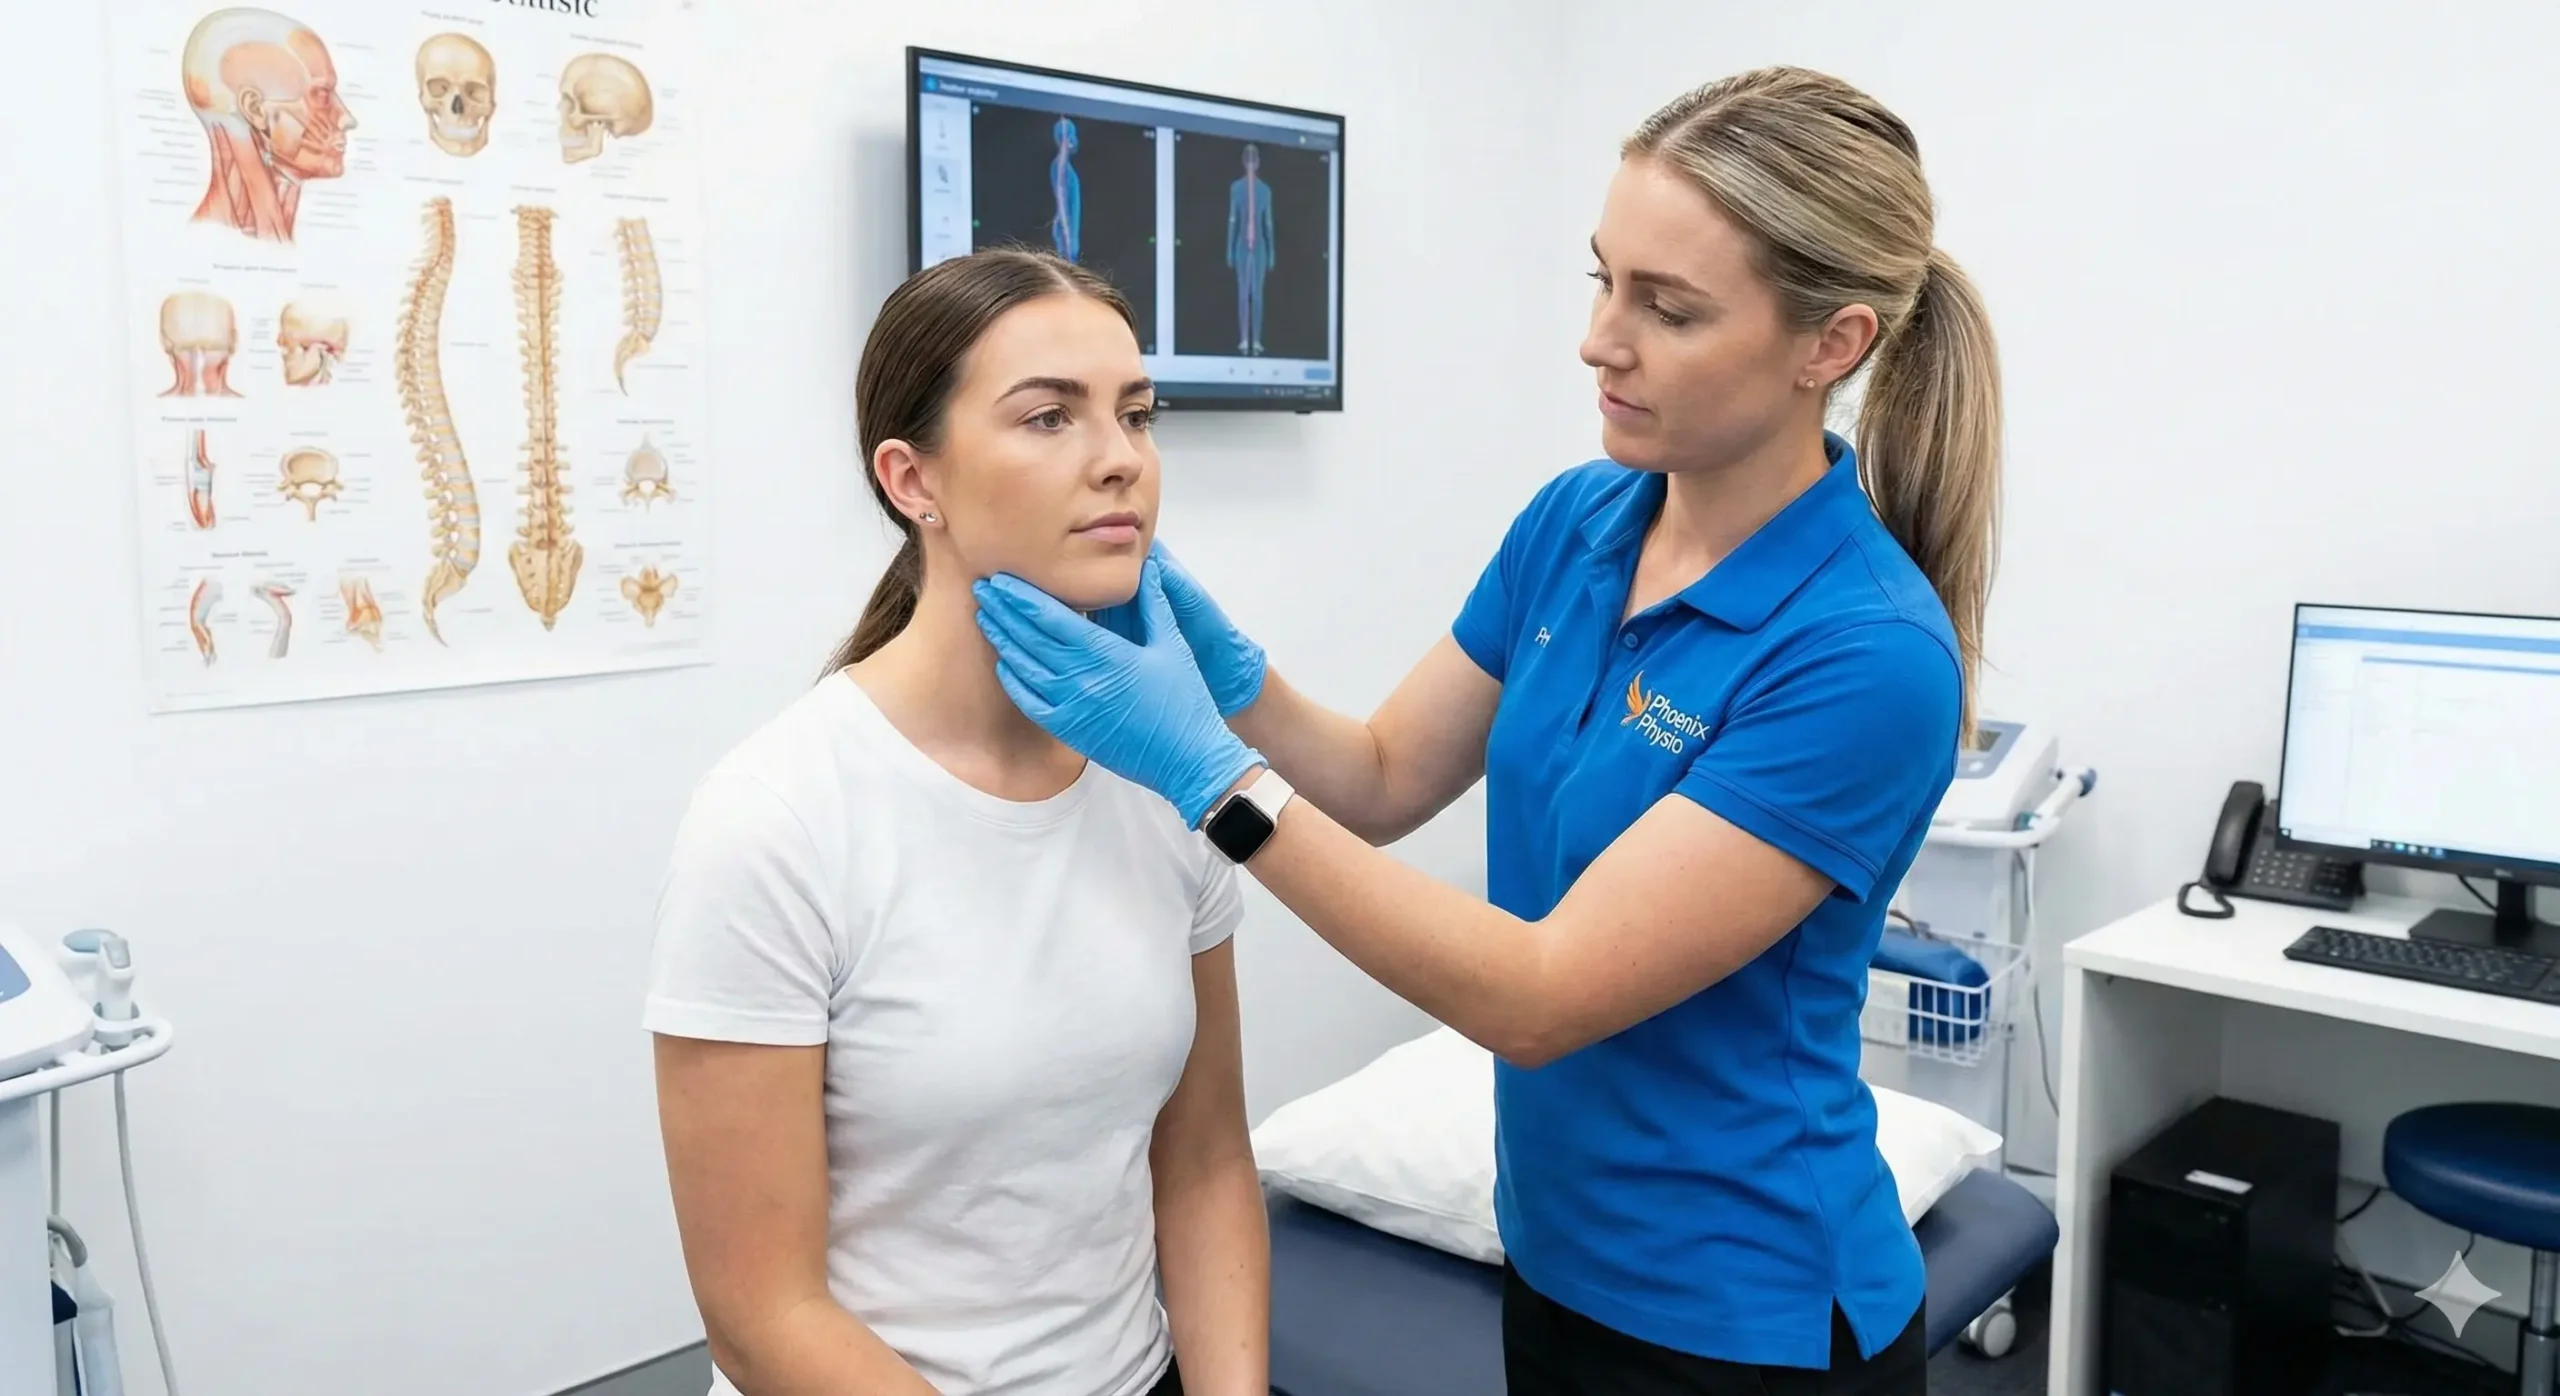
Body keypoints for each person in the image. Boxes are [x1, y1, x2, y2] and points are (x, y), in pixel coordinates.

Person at [974, 66, 1999, 1396]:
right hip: (1554, 1261)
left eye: (1667, 308)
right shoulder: (1581, 521)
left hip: (1745, 1317)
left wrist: (1206, 774)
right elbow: (1386, 775)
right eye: (1602, 280)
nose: (1600, 340)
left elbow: (1542, 996)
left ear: (1833, 345)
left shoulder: (1866, 653)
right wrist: (1230, 675)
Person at [645, 248, 1268, 1396]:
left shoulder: (1168, 777)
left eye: (1136, 413)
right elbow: (759, 1311)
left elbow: (1207, 1160)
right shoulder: (778, 817)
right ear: (911, 479)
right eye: (1049, 418)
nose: (1121, 459)